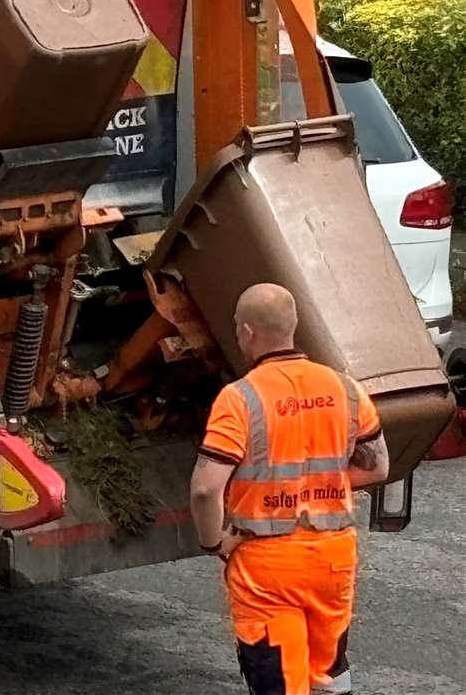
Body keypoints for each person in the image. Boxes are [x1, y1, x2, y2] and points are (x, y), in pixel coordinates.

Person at [190, 283, 390, 695]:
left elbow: (206, 490)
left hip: (268, 569)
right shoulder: (345, 388)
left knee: (281, 682)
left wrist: (215, 544)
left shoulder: (240, 399)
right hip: (333, 561)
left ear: (246, 332)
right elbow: (378, 466)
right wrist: (313, 488)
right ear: (293, 326)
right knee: (327, 673)